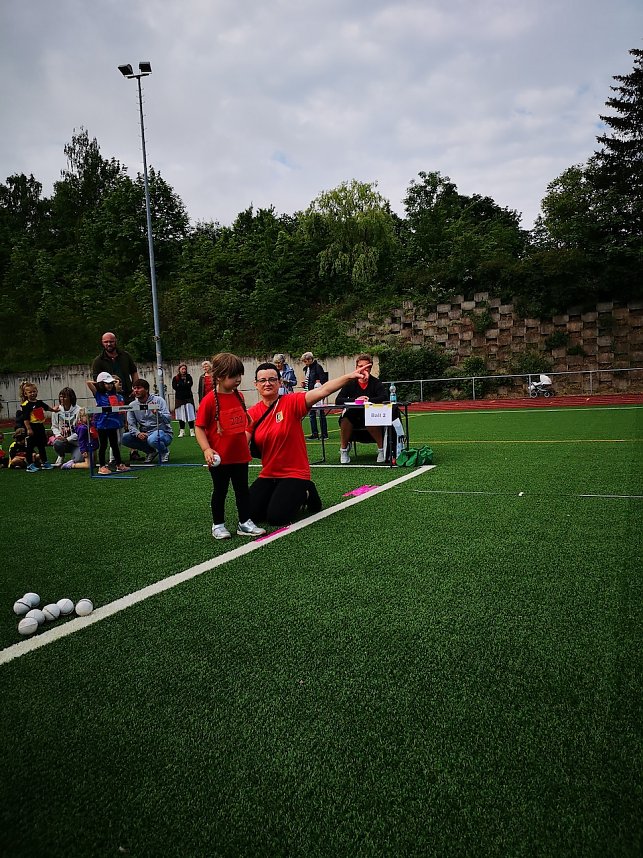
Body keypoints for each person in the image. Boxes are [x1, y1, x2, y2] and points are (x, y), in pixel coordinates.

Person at [247, 360, 371, 526]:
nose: (267, 383)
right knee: (250, 514)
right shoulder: (252, 412)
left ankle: (306, 491)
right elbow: (242, 442)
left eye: (272, 379)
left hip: (294, 473)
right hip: (268, 474)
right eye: (262, 380)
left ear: (279, 382)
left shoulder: (291, 403)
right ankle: (280, 494)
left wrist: (350, 376)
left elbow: (323, 390)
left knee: (276, 518)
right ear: (256, 384)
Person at [194, 352, 266, 540]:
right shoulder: (209, 400)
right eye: (233, 376)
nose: (238, 379)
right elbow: (199, 427)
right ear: (219, 377)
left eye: (239, 375)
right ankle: (218, 525)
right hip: (220, 458)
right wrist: (207, 449)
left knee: (242, 490)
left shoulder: (239, 396)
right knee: (220, 491)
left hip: (240, 455)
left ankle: (245, 522)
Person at [335, 353, 388, 464]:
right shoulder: (350, 383)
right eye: (360, 366)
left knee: (371, 417)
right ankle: (344, 450)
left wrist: (369, 399)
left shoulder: (376, 382)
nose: (363, 369)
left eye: (366, 366)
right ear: (356, 368)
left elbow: (384, 397)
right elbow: (338, 400)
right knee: (345, 419)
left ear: (370, 368)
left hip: (370, 414)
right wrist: (356, 400)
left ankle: (381, 450)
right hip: (354, 414)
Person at [86, 372, 130, 474]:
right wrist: (99, 382)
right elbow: (88, 383)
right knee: (103, 445)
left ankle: (119, 464)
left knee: (114, 445)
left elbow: (117, 387)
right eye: (107, 383)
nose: (109, 385)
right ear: (102, 384)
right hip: (102, 423)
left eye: (111, 383)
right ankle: (101, 466)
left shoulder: (114, 394)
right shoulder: (98, 394)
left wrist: (114, 382)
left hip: (113, 423)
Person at [122, 378, 173, 464]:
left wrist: (158, 414)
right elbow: (131, 424)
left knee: (153, 439)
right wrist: (138, 433)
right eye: (134, 388)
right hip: (145, 433)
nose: (136, 390)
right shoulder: (132, 405)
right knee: (123, 438)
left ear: (146, 389)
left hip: (163, 432)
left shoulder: (158, 400)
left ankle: (164, 451)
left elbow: (168, 419)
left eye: (139, 388)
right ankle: (150, 451)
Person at [20, 381, 60, 472]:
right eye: (30, 392)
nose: (32, 394)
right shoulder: (26, 405)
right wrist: (29, 429)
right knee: (30, 447)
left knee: (42, 445)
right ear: (25, 394)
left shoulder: (39, 402)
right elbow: (25, 419)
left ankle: (45, 462)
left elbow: (47, 408)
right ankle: (30, 464)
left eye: (34, 391)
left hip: (40, 427)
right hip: (32, 427)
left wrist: (54, 410)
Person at [91, 332, 139, 403]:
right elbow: (97, 381)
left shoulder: (126, 356)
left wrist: (135, 389)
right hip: (109, 398)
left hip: (128, 395)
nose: (109, 344)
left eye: (111, 341)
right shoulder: (98, 361)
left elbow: (134, 372)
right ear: (102, 342)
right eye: (106, 342)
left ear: (115, 341)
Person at [300, 351, 328, 440]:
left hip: (317, 392)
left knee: (320, 413)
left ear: (312, 359)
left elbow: (323, 379)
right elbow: (309, 380)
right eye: (305, 360)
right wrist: (305, 385)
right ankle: (314, 433)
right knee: (311, 413)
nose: (306, 361)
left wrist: (320, 386)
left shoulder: (317, 367)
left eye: (308, 359)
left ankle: (324, 434)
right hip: (309, 392)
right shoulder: (307, 369)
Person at [51, 387, 82, 467]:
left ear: (71, 398)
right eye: (61, 396)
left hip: (76, 443)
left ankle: (74, 457)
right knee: (57, 443)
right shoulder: (56, 411)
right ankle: (61, 455)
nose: (62, 399)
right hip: (63, 441)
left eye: (65, 397)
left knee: (78, 460)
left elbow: (80, 430)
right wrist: (58, 436)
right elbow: (54, 426)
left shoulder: (79, 410)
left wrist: (68, 439)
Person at [172, 363, 196, 437]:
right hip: (179, 398)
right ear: (179, 369)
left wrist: (181, 385)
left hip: (188, 398)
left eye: (185, 369)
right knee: (181, 415)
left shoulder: (189, 377)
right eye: (182, 369)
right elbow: (175, 387)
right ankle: (182, 431)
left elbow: (189, 385)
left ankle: (192, 430)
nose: (183, 370)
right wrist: (183, 384)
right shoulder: (175, 378)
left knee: (190, 414)